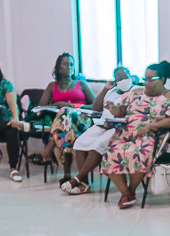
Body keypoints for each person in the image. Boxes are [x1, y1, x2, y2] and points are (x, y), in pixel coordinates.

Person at [101, 62, 170, 209]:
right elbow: (120, 112)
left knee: (139, 152)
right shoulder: (135, 92)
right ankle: (126, 193)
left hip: (152, 138)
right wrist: (112, 108)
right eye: (145, 79)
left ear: (163, 80)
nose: (146, 83)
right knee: (110, 151)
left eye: (151, 79)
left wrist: (151, 126)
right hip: (125, 134)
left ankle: (129, 193)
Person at [61, 66, 143, 196]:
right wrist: (105, 89)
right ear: (115, 81)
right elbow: (96, 108)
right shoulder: (111, 91)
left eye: (125, 76)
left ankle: (77, 178)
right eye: (119, 78)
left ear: (131, 76)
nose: (123, 80)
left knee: (99, 145)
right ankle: (84, 184)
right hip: (103, 125)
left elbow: (136, 113)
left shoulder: (137, 90)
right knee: (79, 143)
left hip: (121, 127)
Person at [39, 53, 94, 183]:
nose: (69, 67)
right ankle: (67, 175)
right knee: (65, 132)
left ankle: (50, 148)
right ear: (58, 68)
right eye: (65, 64)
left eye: (71, 64)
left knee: (66, 113)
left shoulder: (81, 84)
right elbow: (42, 106)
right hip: (64, 125)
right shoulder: (52, 86)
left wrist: (72, 106)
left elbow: (95, 105)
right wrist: (57, 105)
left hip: (82, 121)